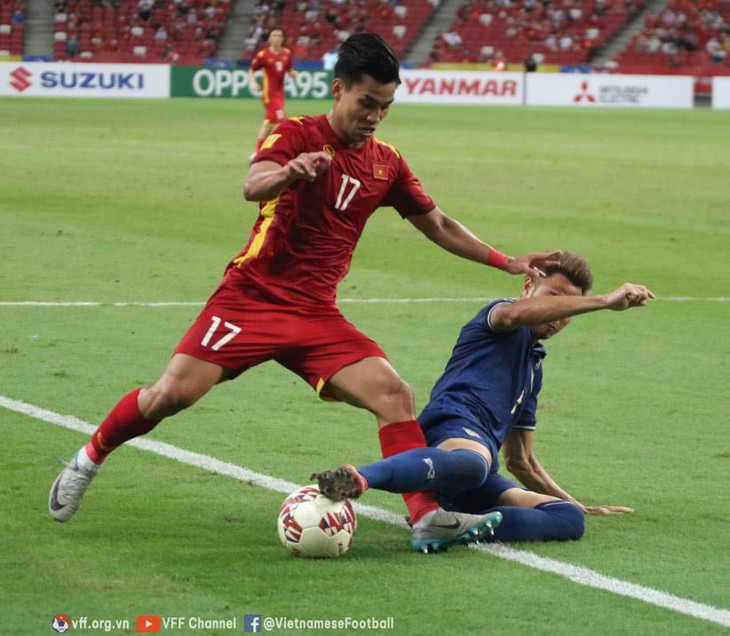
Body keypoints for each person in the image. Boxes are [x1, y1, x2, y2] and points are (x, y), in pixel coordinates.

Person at [49, 33, 560, 552]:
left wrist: (506, 261)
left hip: (317, 315)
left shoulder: (387, 163)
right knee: (171, 395)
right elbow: (253, 184)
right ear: (338, 89)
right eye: (366, 103)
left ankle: (426, 517)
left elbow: (439, 224)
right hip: (251, 299)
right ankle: (90, 456)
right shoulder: (295, 134)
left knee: (394, 395)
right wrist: (290, 173)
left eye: (385, 107)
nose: (375, 116)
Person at [314, 253, 655, 551]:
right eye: (554, 298)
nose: (558, 315)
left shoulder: (533, 368)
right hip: (448, 432)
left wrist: (579, 504)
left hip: (477, 470)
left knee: (567, 519)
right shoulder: (499, 317)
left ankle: (457, 524)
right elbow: (515, 315)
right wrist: (604, 302)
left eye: (568, 309)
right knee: (475, 462)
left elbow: (521, 461)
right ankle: (358, 478)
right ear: (527, 287)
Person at [248, 27, 298, 156]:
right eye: (274, 35)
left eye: (279, 35)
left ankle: (258, 151)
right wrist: (253, 82)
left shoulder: (286, 53)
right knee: (283, 121)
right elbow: (251, 70)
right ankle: (281, 150)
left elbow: (290, 69)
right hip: (269, 94)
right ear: (270, 38)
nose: (276, 38)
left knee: (269, 123)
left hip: (280, 93)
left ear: (282, 39)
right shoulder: (263, 55)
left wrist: (293, 73)